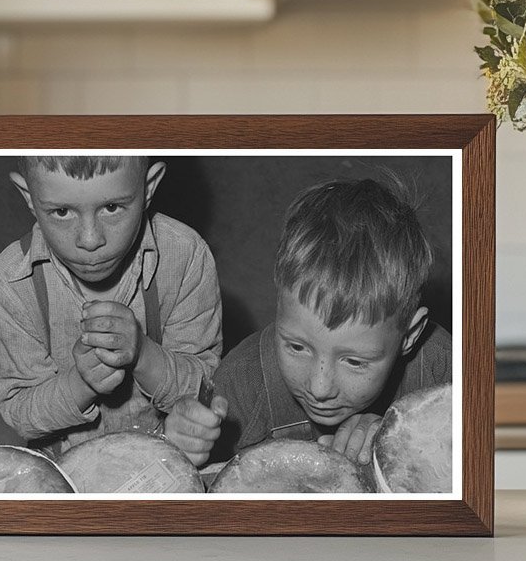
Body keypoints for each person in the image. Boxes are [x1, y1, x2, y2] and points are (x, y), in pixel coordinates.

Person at [165, 176, 451, 467]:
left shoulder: (444, 372)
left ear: (411, 335)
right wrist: (180, 450)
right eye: (297, 347)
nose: (319, 388)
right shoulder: (241, 385)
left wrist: (403, 440)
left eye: (354, 362)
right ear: (279, 306)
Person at [0, 155, 222, 462]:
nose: (90, 240)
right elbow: (20, 412)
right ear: (29, 197)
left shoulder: (186, 256)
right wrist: (79, 384)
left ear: (148, 187)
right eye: (61, 211)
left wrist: (143, 354)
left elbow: (205, 389)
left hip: (167, 458)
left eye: (111, 208)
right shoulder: (11, 282)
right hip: (63, 468)